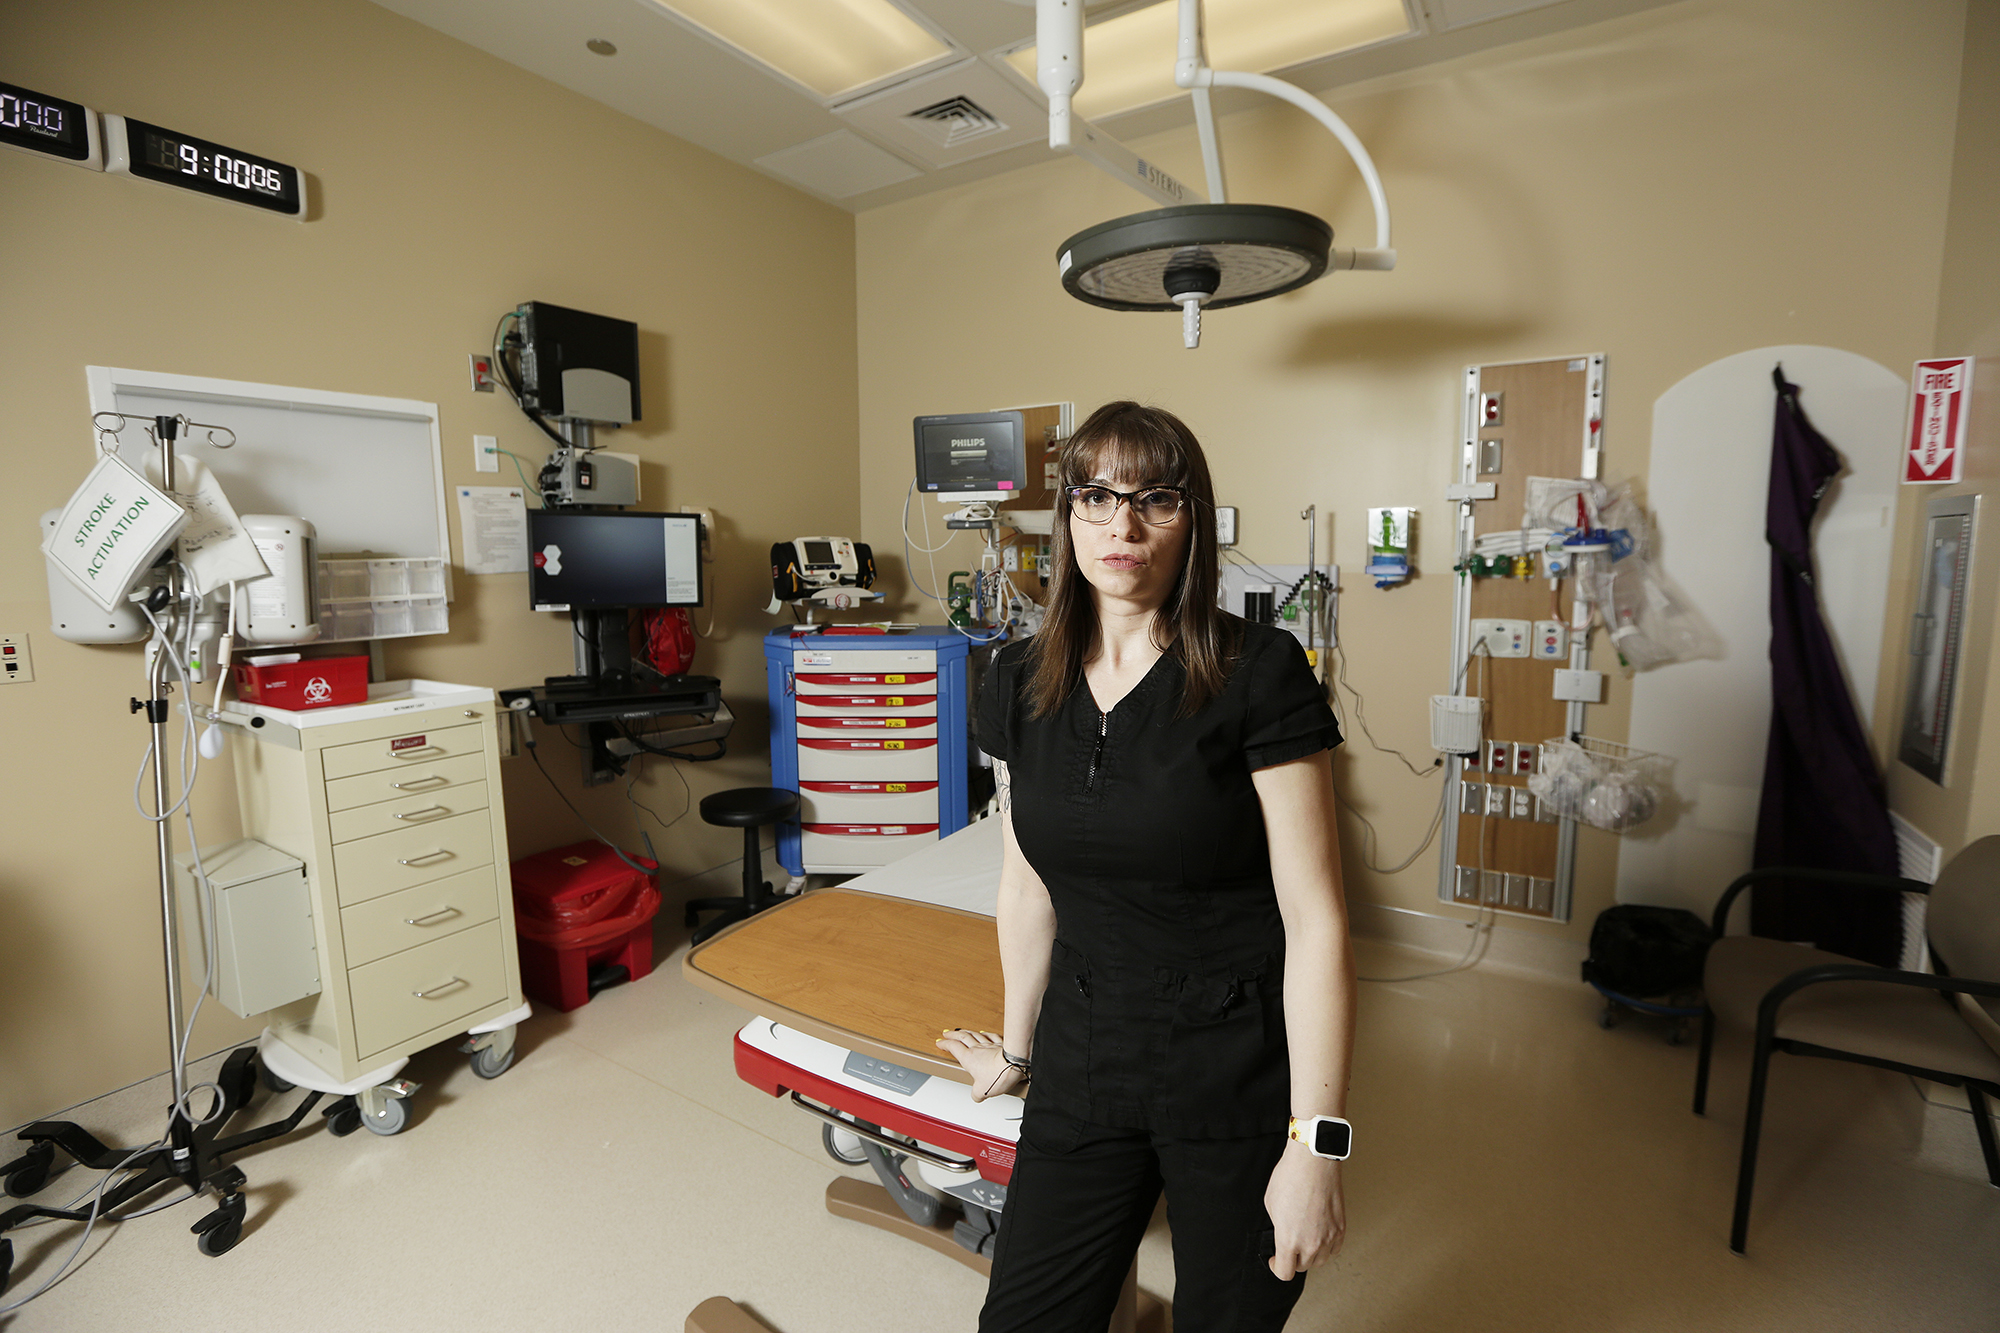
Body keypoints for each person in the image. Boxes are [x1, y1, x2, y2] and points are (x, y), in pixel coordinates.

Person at [938, 401, 1356, 1333]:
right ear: (1069, 515)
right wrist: (1014, 1050)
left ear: (1191, 517)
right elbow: (1028, 882)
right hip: (1085, 1060)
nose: (1122, 525)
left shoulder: (1259, 672)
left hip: (1232, 1074)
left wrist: (1317, 1147)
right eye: (1096, 495)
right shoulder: (1015, 681)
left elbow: (1318, 918)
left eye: (1155, 498)